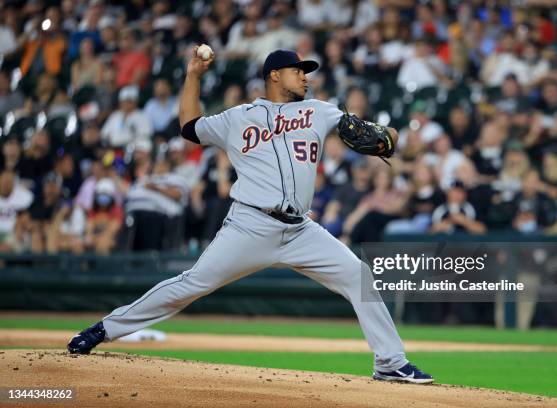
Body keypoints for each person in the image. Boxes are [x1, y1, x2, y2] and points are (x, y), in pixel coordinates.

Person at [67, 48, 433, 384]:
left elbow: (378, 136)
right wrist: (193, 76)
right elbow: (189, 126)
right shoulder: (237, 117)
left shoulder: (320, 111)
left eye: (306, 72)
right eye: (297, 71)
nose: (305, 77)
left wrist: (390, 137)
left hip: (301, 229)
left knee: (357, 273)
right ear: (274, 75)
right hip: (250, 225)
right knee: (191, 284)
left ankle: (389, 361)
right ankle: (103, 330)